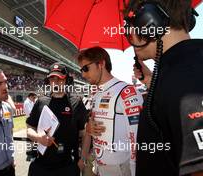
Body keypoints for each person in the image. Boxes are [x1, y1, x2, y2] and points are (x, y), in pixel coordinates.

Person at [123, 0, 203, 175]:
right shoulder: (184, 70)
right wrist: (152, 81)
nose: (129, 39)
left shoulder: (187, 80)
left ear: (149, 23)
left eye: (129, 30)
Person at [77, 46, 144, 176]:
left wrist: (135, 169)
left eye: (86, 68)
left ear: (101, 64)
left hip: (121, 168)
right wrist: (89, 128)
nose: (83, 74)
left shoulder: (127, 92)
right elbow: (91, 128)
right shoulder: (96, 94)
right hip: (99, 165)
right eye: (81, 70)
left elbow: (137, 137)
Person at [26, 62, 88, 176]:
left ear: (66, 81)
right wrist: (38, 137)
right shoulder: (40, 102)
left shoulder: (76, 102)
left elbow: (85, 134)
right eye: (52, 79)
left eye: (60, 79)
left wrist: (82, 160)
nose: (55, 82)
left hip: (68, 166)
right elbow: (29, 128)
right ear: (48, 81)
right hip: (41, 165)